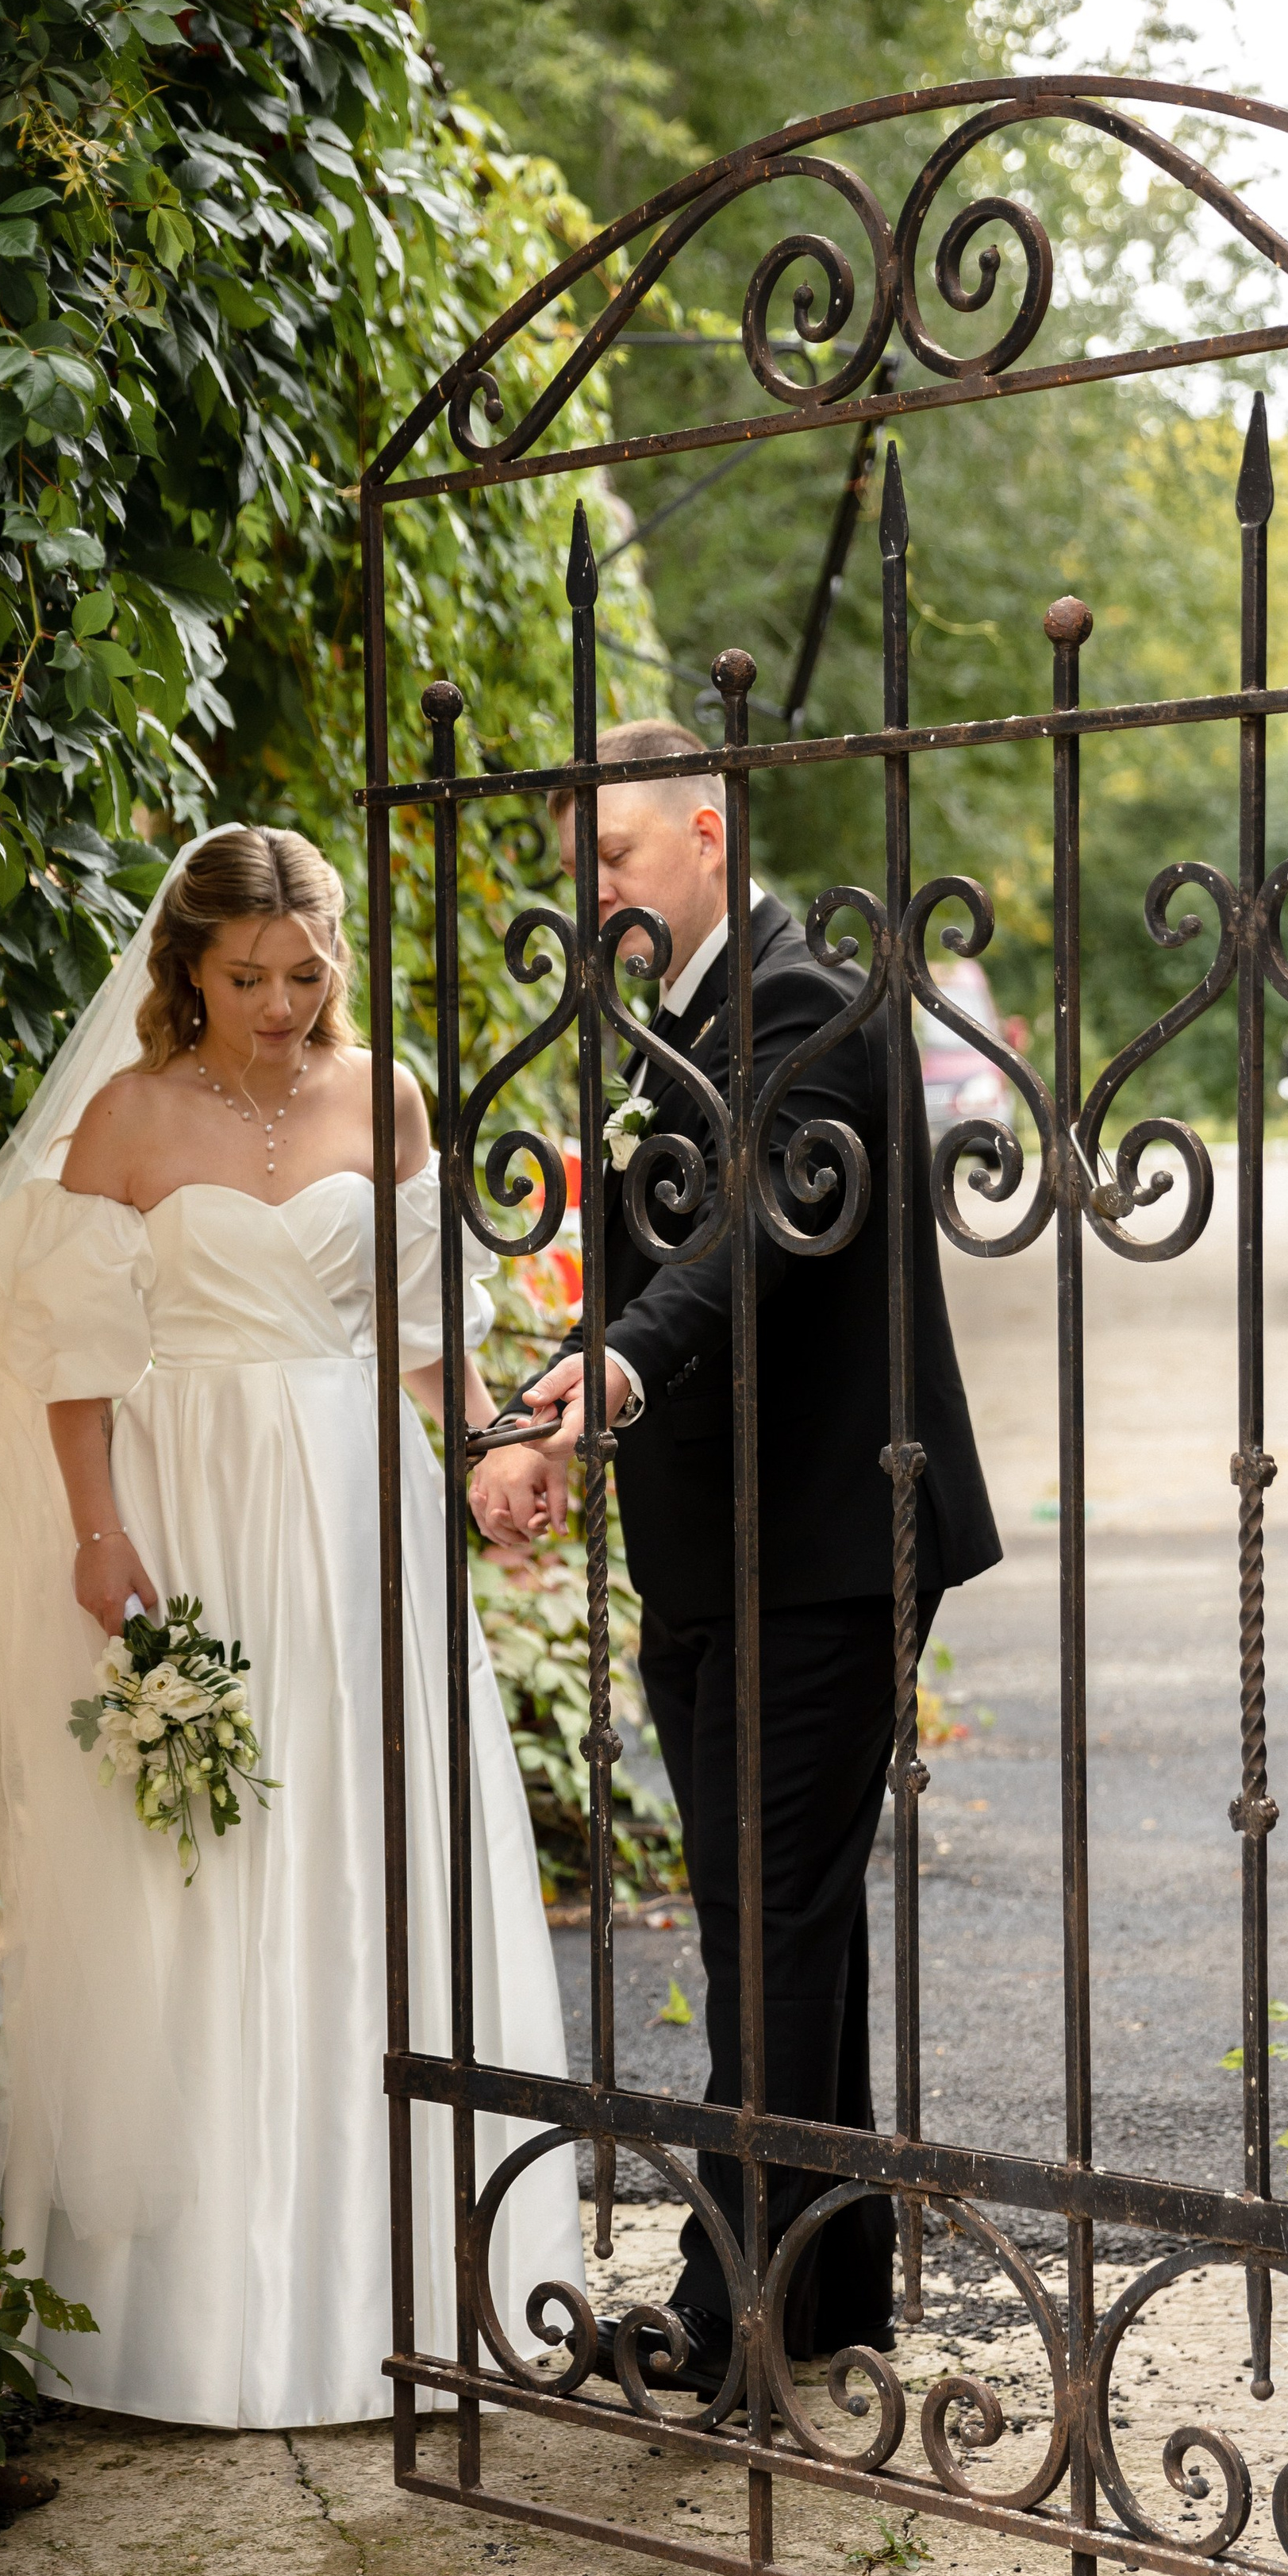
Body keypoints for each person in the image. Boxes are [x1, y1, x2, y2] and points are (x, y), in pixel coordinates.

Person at [0, 822, 582, 2430]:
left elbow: (427, 1340)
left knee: (379, 1843)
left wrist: (498, 1452)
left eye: (305, 974)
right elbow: (71, 1360)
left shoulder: (390, 1101)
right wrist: (101, 1535)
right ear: (188, 969)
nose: (282, 1005)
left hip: (360, 1497)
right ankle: (205, 2314)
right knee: (209, 1859)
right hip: (196, 1505)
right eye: (248, 977)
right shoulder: (128, 1120)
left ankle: (415, 2284)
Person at [471, 722, 1001, 2396]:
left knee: (766, 1925)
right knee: (775, 1922)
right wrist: (568, 1409)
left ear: (706, 830)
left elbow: (749, 1236)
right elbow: (650, 1263)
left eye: (614, 859)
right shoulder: (668, 1019)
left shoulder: (797, 999)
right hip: (711, 1550)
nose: (595, 891)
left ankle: (727, 2309)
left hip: (830, 1549)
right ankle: (830, 2288)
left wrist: (610, 1371)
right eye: (584, 867)